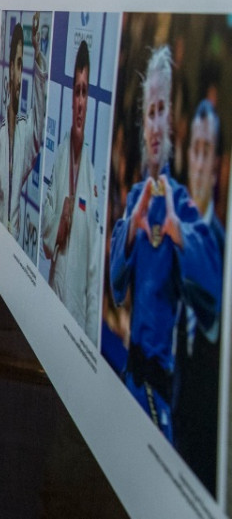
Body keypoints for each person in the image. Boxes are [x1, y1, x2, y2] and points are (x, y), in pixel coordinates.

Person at [109, 47, 222, 443]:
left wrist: (177, 233)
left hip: (159, 395)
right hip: (130, 378)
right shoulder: (136, 199)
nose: (156, 124)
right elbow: (116, 285)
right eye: (150, 112)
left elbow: (211, 293)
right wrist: (132, 230)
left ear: (174, 123)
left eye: (163, 112)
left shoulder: (182, 205)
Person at [173, 100, 224, 490]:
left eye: (209, 152)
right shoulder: (171, 226)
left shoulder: (221, 250)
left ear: (217, 167)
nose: (201, 162)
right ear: (187, 155)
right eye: (196, 149)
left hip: (205, 453)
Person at [40, 39, 102, 343]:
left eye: (84, 92)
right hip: (55, 295)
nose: (79, 101)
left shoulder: (93, 168)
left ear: (88, 101)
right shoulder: (62, 151)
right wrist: (60, 224)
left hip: (78, 318)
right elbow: (46, 236)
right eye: (76, 91)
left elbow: (94, 273)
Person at [0, 13, 47, 261]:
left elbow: (39, 118)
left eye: (21, 65)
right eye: (16, 64)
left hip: (13, 245)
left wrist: (37, 54)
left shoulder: (25, 131)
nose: (18, 75)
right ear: (8, 75)